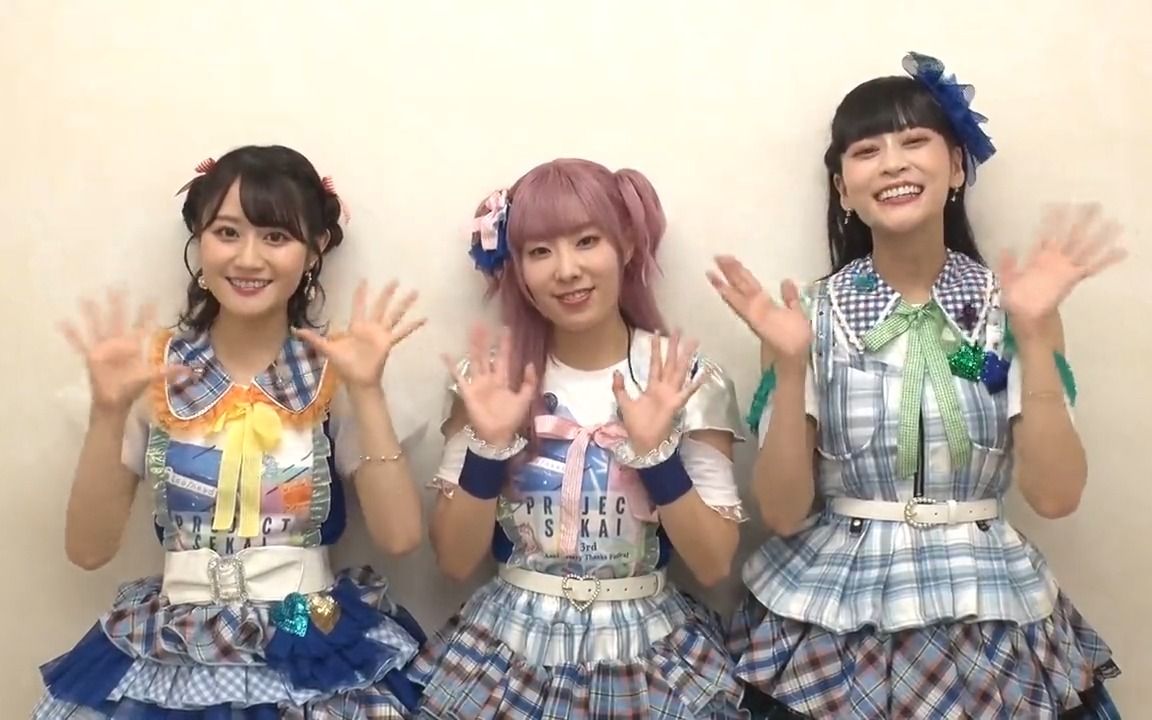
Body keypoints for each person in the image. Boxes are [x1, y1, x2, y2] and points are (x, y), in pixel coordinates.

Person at [712, 53, 1125, 718]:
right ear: (843, 189)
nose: (893, 163)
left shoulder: (1017, 306)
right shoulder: (805, 317)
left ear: (957, 166)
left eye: (914, 141)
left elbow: (1055, 496)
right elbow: (783, 514)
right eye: (867, 150)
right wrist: (789, 367)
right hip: (836, 614)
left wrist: (1032, 335)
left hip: (989, 611)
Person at [34, 145, 428, 719]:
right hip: (178, 635)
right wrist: (108, 414)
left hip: (301, 619)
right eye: (227, 232)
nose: (248, 258)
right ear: (199, 239)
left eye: (276, 236)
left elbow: (400, 539)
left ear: (315, 248)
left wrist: (365, 391)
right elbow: (87, 551)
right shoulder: (147, 373)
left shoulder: (338, 373)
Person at [411, 158, 749, 718]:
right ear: (518, 267)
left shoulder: (681, 377)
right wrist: (487, 449)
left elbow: (714, 564)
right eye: (540, 251)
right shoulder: (491, 379)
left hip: (645, 643)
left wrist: (657, 457)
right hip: (511, 645)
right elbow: (453, 559)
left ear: (627, 245)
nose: (566, 270)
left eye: (587, 241)